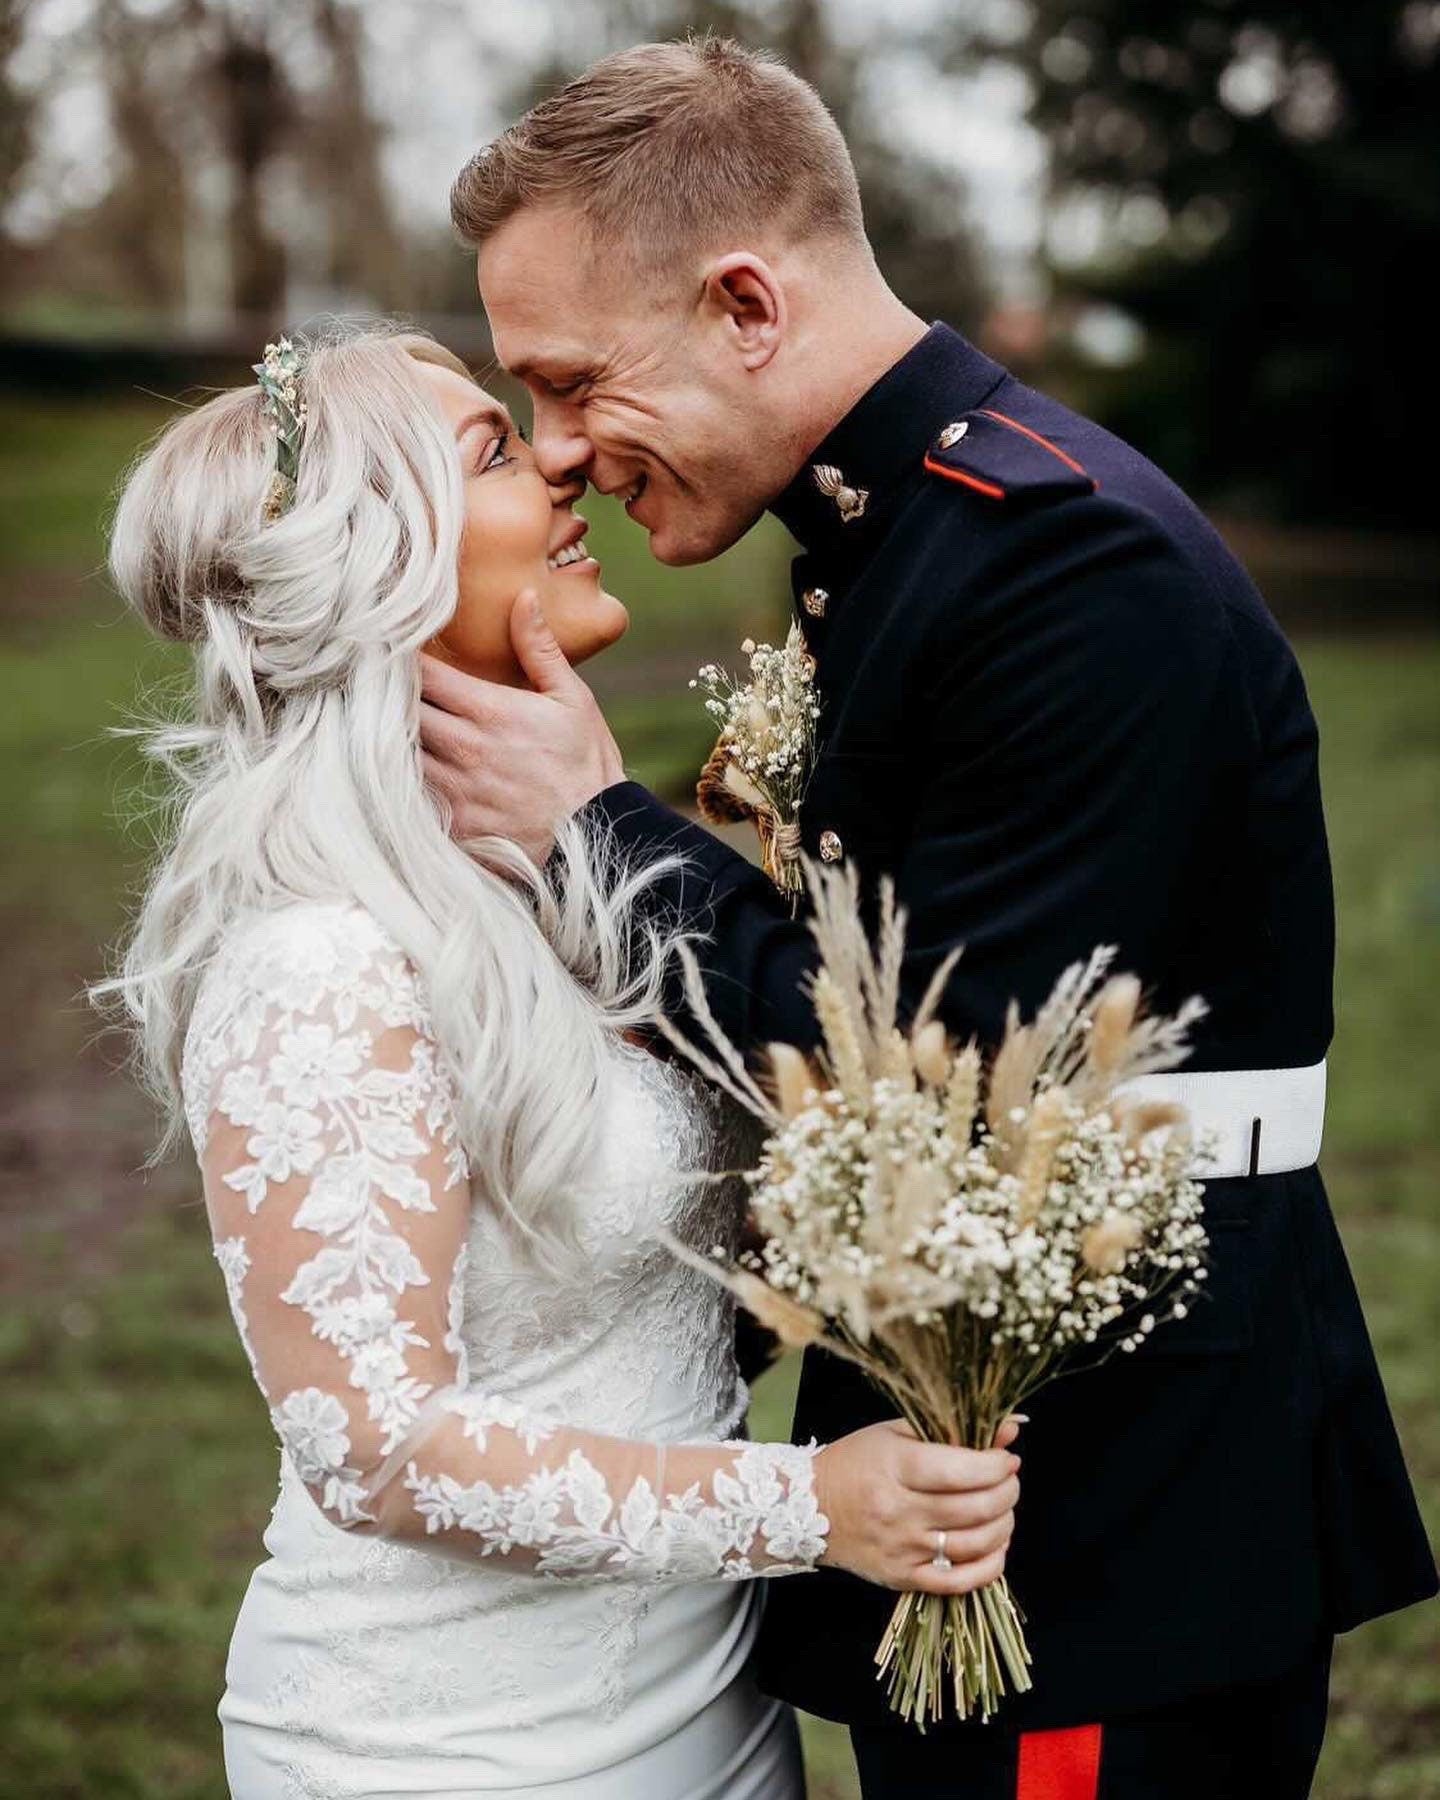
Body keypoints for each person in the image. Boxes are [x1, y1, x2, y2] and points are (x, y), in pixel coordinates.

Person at [424, 36, 1439, 1800]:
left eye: (577, 382)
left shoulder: (1062, 565)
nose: (566, 454)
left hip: (1106, 1475)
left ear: (746, 304)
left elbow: (943, 1068)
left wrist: (596, 832)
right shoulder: (900, 533)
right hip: (984, 1434)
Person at [97, 321, 1024, 1799]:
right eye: (493, 450)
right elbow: (378, 1447)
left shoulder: (559, 881)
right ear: (376, 556)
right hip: (457, 1747)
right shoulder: (322, 959)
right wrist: (811, 1506)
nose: (564, 467)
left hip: (712, 1715)